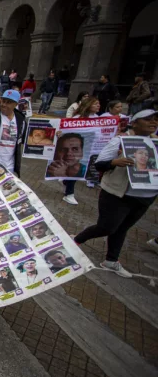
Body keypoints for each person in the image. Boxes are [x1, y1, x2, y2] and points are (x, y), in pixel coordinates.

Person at [73, 109, 158, 278]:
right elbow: (99, 164)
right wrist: (114, 162)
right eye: (147, 119)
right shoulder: (120, 141)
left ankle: (111, 260)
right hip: (117, 194)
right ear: (134, 122)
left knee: (123, 227)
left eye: (155, 119)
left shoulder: (155, 143)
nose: (153, 122)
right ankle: (77, 240)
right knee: (107, 227)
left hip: (145, 196)